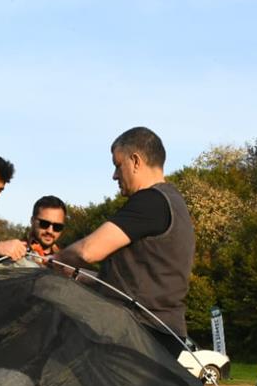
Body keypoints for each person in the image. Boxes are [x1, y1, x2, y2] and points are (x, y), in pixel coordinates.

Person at [52, 127, 196, 356]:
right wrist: (77, 275)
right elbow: (132, 283)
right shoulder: (173, 204)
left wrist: (57, 260)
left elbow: (89, 251)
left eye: (118, 165)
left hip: (139, 333)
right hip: (163, 332)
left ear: (136, 160)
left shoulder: (150, 201)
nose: (115, 175)